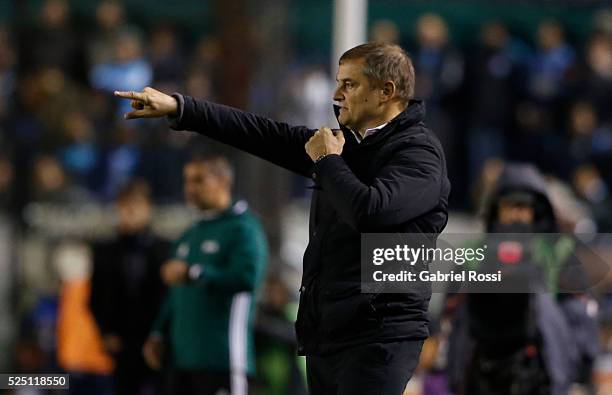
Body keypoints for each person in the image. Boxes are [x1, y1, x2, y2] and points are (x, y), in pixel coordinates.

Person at [116, 42, 451, 395]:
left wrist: (328, 163)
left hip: (381, 335)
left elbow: (370, 213)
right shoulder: (340, 146)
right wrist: (182, 107)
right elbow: (260, 133)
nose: (336, 95)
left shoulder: (419, 154)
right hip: (329, 331)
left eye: (349, 84)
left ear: (387, 92)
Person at [142, 155, 269, 395]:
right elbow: (175, 293)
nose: (190, 188)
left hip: (224, 358)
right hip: (182, 362)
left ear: (223, 182)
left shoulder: (243, 229)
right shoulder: (189, 234)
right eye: (187, 180)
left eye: (199, 180)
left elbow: (247, 279)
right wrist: (158, 332)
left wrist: (195, 273)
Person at [89, 180, 170, 395]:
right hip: (120, 343)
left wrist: (162, 334)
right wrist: (105, 332)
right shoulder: (104, 251)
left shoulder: (166, 249)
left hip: (157, 343)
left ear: (148, 209)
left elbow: (172, 299)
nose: (131, 211)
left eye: (136, 205)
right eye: (125, 206)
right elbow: (95, 297)